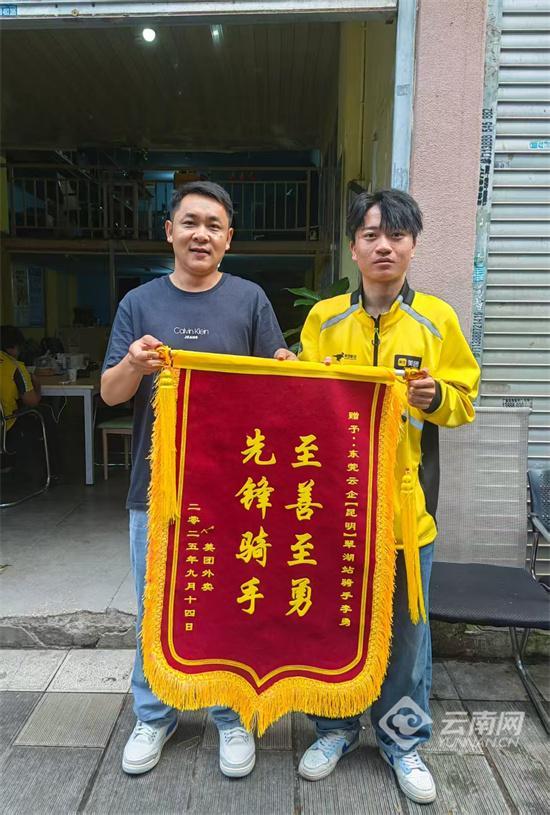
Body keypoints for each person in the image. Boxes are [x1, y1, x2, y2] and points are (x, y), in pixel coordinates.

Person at [295, 189, 480, 804]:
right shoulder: (325, 320)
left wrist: (435, 397)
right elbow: (301, 407)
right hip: (332, 514)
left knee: (407, 640)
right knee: (333, 627)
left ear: (412, 246)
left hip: (406, 515)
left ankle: (403, 742)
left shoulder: (437, 320)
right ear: (353, 247)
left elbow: (465, 402)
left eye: (396, 236)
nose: (383, 246)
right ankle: (334, 730)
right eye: (371, 235)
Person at [101, 181, 290, 779]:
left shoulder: (250, 300)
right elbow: (110, 394)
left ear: (228, 238)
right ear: (170, 232)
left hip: (235, 493)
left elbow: (279, 384)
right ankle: (154, 715)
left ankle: (230, 716)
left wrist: (292, 371)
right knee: (153, 607)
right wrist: (133, 363)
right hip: (154, 489)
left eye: (213, 225)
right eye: (189, 223)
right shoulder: (139, 303)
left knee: (227, 605)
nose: (200, 234)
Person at [0, 325, 56, 479]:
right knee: (44, 412)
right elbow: (32, 401)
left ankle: (6, 463)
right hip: (6, 429)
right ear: (12, 347)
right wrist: (37, 385)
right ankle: (52, 472)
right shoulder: (15, 367)